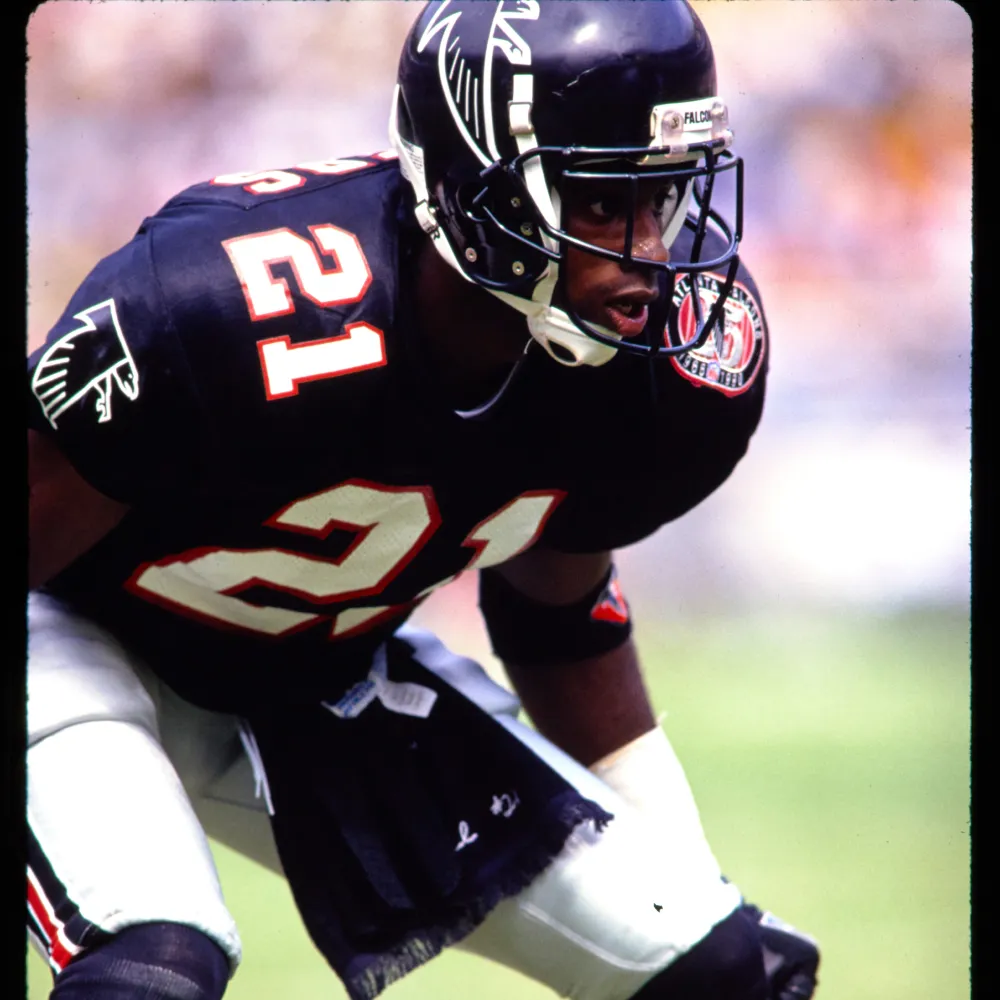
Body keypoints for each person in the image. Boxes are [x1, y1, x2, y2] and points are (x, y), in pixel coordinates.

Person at [26, 2, 820, 999]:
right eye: (601, 201)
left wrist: (685, 888)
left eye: (662, 195)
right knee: (154, 958)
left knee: (728, 973)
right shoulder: (219, 305)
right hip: (70, 623)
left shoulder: (662, 368)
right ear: (474, 190)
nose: (652, 251)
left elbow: (556, 609)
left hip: (312, 668)